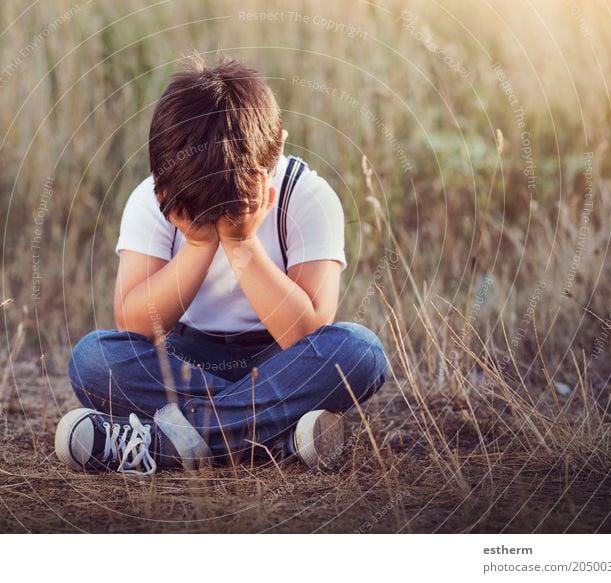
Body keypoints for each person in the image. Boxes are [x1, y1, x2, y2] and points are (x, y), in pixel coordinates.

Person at [55, 57, 388, 475]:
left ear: (278, 150)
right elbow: (136, 325)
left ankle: (161, 444)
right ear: (162, 178)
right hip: (186, 358)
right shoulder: (153, 197)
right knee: (93, 360)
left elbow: (306, 335)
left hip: (280, 362)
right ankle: (276, 434)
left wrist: (242, 242)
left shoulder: (306, 197)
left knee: (359, 352)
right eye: (200, 208)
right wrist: (197, 244)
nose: (213, 216)